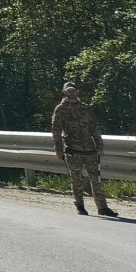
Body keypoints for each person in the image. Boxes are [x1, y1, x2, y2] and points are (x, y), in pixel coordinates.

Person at [51, 83, 116, 217]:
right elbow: (56, 130)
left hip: (90, 149)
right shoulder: (60, 109)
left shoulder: (86, 108)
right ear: (64, 92)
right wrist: (58, 149)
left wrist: (99, 146)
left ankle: (102, 207)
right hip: (73, 150)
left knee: (96, 180)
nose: (71, 93)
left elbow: (94, 128)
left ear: (78, 92)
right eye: (69, 91)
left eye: (73, 91)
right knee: (77, 180)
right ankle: (80, 205)